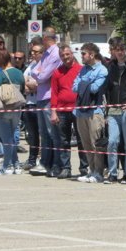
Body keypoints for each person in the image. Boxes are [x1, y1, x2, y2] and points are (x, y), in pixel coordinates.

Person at [29, 27, 63, 177]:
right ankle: (45, 163)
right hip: (41, 97)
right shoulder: (46, 55)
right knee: (44, 133)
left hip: (49, 97)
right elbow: (34, 70)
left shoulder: (55, 54)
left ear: (47, 39)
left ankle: (56, 164)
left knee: (52, 132)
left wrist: (38, 74)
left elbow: (42, 76)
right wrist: (38, 73)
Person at [50, 45, 87, 179]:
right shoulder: (57, 72)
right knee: (63, 140)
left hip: (78, 109)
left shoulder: (81, 70)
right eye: (62, 55)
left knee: (81, 139)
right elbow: (54, 93)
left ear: (72, 54)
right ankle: (66, 168)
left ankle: (84, 167)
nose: (65, 57)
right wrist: (53, 111)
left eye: (67, 54)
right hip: (61, 110)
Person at [73, 43, 108, 184]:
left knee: (96, 144)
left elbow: (94, 88)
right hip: (81, 111)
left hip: (95, 112)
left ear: (92, 55)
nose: (81, 56)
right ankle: (91, 171)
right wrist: (85, 83)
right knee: (86, 144)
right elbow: (74, 87)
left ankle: (99, 173)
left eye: (83, 54)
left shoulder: (102, 70)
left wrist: (83, 83)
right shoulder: (83, 70)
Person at [106, 37, 126, 183]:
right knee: (112, 141)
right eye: (117, 50)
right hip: (113, 108)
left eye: (122, 49)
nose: (120, 52)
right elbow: (107, 87)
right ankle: (112, 173)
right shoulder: (110, 66)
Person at [22, 39, 43, 170]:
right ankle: (32, 159)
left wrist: (33, 85)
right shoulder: (30, 67)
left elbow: (39, 84)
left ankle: (43, 159)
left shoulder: (43, 66)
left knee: (43, 134)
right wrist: (29, 85)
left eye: (36, 52)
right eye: (32, 52)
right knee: (32, 134)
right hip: (28, 103)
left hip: (39, 103)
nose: (33, 54)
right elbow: (24, 82)